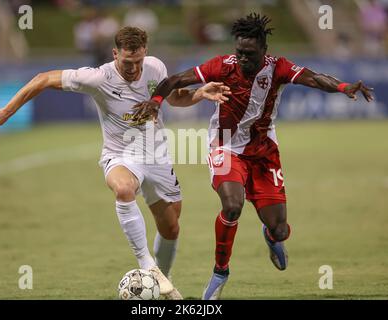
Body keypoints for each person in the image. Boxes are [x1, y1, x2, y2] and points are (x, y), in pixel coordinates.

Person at [131, 13, 374, 300]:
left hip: (263, 152)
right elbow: (175, 79)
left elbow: (315, 78)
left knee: (280, 228)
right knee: (232, 206)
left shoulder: (279, 68)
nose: (242, 58)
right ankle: (221, 272)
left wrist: (344, 88)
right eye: (239, 52)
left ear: (263, 51)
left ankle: (271, 236)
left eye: (249, 54)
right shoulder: (222, 65)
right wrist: (156, 102)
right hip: (225, 146)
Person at [0, 26, 230, 300]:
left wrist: (200, 93)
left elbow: (175, 98)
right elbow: (43, 78)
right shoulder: (98, 77)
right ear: (115, 54)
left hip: (156, 156)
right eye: (127, 62)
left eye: (138, 61)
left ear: (145, 53)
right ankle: (148, 265)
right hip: (120, 155)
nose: (133, 68)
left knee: (171, 227)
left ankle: (163, 278)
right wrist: (7, 111)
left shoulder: (155, 68)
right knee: (124, 189)